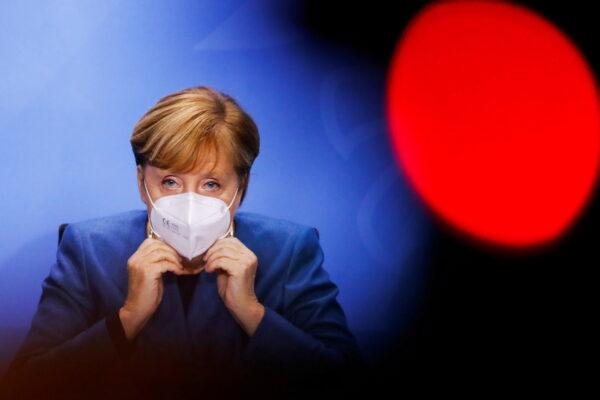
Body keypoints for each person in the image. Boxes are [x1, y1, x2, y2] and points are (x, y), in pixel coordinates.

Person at [0, 86, 366, 399]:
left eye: (211, 184)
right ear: (142, 182)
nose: (190, 201)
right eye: (171, 182)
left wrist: (253, 313)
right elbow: (27, 383)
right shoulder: (88, 249)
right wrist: (127, 318)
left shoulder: (289, 250)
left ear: (241, 189)